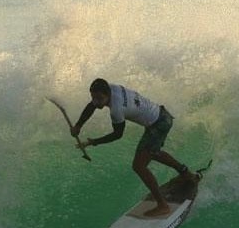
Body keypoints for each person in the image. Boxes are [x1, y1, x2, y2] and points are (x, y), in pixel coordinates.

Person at [70, 78, 194, 218]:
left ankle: (163, 205)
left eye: (99, 98)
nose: (96, 102)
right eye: (93, 97)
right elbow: (92, 105)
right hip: (162, 115)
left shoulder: (116, 110)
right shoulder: (111, 88)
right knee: (153, 152)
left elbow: (118, 135)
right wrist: (79, 125)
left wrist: (94, 142)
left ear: (107, 94)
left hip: (158, 124)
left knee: (139, 166)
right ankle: (186, 173)